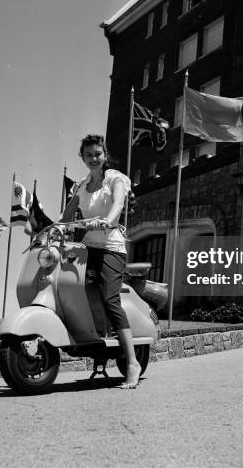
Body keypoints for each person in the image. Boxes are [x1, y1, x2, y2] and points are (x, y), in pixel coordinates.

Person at [61, 134, 141, 389]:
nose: (93, 158)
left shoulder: (115, 178)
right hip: (88, 247)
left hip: (111, 247)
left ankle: (132, 363)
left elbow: (118, 203)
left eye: (97, 153)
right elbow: (68, 212)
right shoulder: (83, 185)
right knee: (72, 287)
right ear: (82, 158)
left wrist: (108, 219)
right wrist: (57, 226)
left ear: (104, 155)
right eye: (88, 155)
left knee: (109, 297)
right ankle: (98, 336)